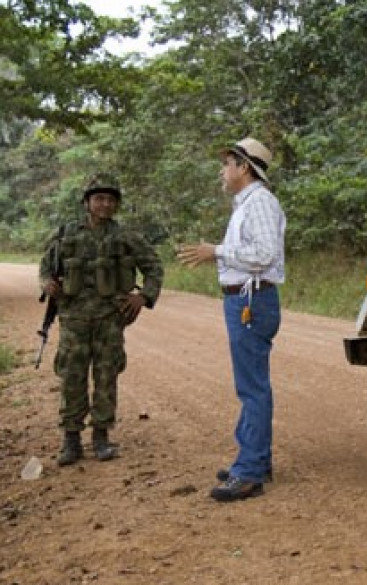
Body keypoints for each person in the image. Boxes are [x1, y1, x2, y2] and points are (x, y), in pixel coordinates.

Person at [176, 137, 285, 503]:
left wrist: (217, 251)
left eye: (227, 164)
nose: (223, 171)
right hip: (245, 300)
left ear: (244, 167)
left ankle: (250, 471)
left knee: (252, 387)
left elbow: (266, 254)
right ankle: (255, 458)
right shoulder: (247, 204)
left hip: (252, 301)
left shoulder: (260, 203)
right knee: (252, 384)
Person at [40, 174, 163, 466]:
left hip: (110, 317)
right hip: (73, 317)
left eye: (110, 199)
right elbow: (45, 267)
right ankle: (71, 439)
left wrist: (143, 297)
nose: (105, 204)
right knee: (72, 375)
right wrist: (47, 283)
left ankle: (101, 437)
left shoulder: (126, 237)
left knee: (106, 375)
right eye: (99, 199)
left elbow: (154, 266)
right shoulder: (65, 234)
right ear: (87, 202)